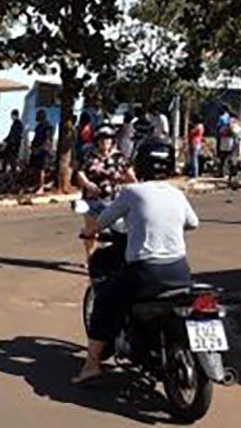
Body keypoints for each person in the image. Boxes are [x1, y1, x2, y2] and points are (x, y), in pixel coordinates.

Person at [74, 180, 199, 384]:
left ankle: (91, 365)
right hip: (179, 271)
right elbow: (193, 223)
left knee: (104, 299)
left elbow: (103, 220)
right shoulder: (175, 192)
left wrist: (89, 232)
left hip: (146, 273)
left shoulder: (132, 192)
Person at [76, 124, 138, 259]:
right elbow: (80, 172)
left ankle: (113, 258)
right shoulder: (89, 155)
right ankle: (90, 258)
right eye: (102, 139)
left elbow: (130, 175)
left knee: (116, 230)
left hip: (114, 200)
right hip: (91, 199)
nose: (105, 142)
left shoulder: (119, 157)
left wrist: (133, 186)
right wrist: (87, 183)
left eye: (108, 139)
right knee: (91, 230)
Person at [30, 109, 54, 195]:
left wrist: (40, 149)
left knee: (41, 170)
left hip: (43, 152)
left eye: (38, 115)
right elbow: (36, 138)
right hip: (36, 150)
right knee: (36, 169)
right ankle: (37, 185)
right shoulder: (39, 126)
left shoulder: (47, 127)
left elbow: (47, 141)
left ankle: (41, 187)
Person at [187, 115, 205, 179]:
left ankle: (195, 173)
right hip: (196, 142)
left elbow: (192, 132)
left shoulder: (198, 126)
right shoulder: (201, 126)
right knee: (193, 159)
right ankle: (192, 172)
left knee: (194, 159)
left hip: (195, 143)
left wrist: (192, 126)